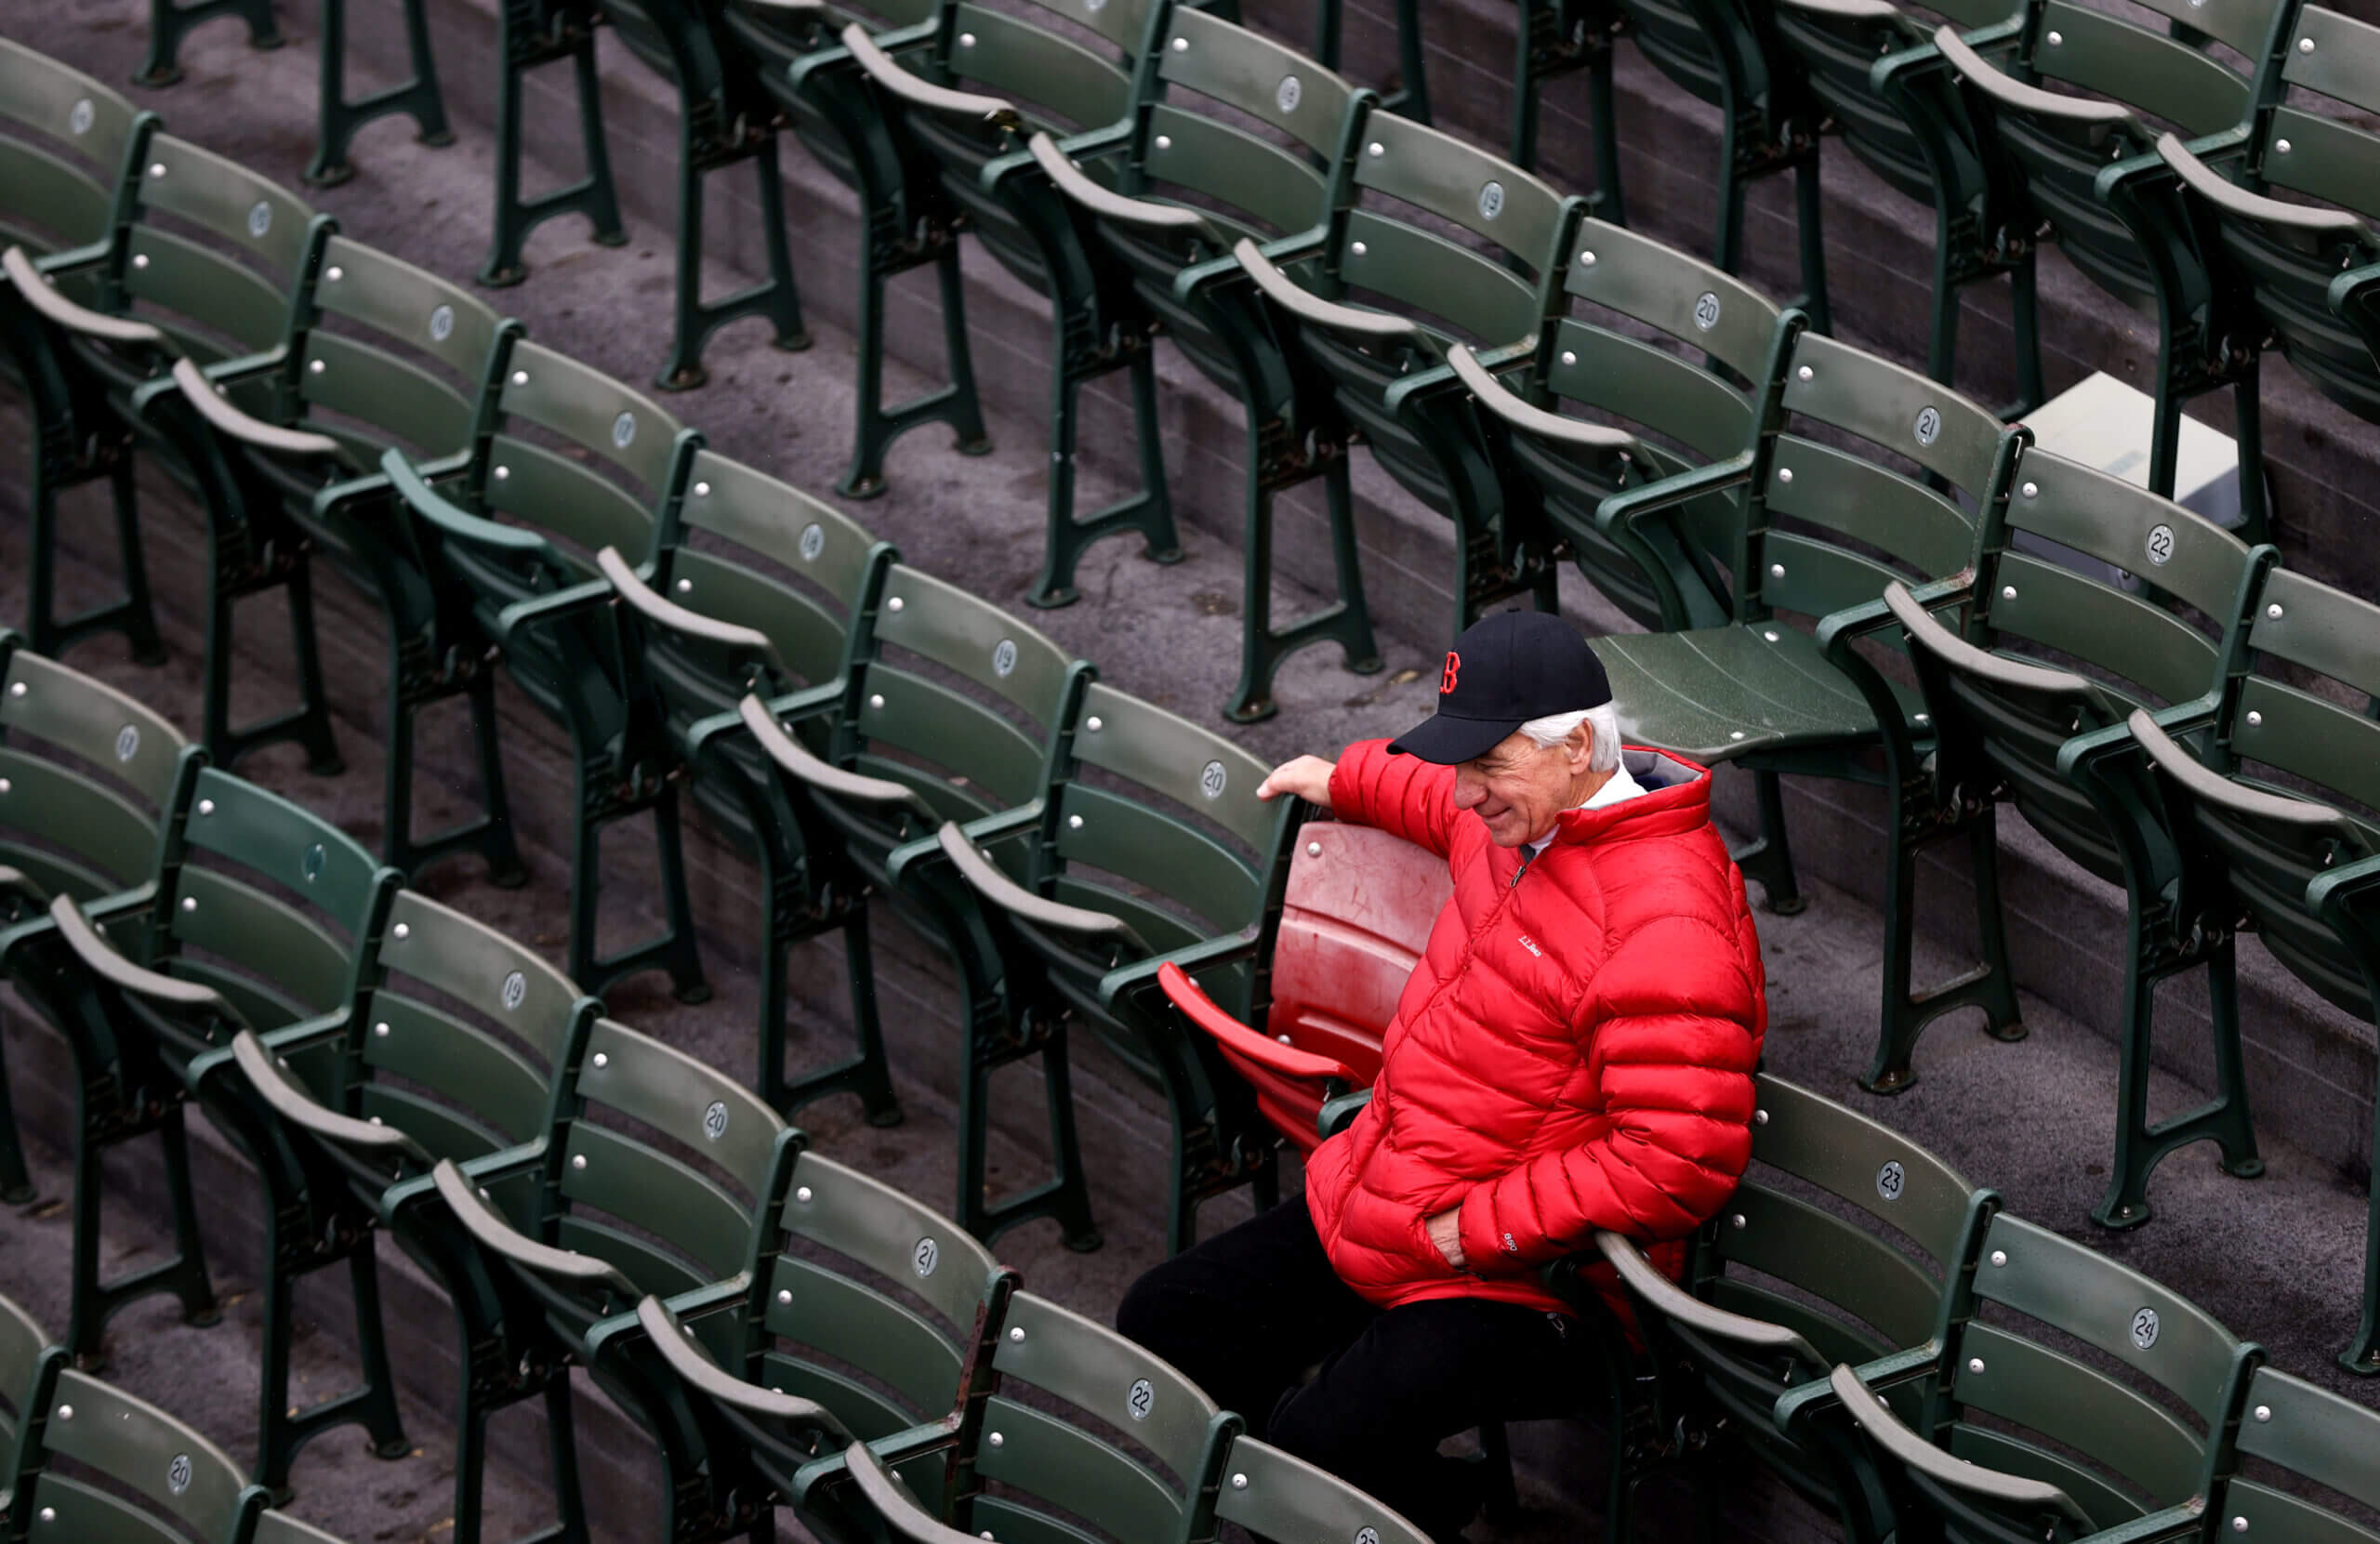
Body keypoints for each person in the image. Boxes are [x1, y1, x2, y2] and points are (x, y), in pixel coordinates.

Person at [1117, 610, 1767, 1540]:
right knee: (1171, 1320)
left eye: (1487, 765)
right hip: (1396, 1190)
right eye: (1464, 762)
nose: (1466, 793)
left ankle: (1358, 1507)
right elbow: (1429, 792)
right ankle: (1401, 1507)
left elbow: (1676, 1157)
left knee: (1317, 1447)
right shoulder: (1525, 809)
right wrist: (1342, 777)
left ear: (1579, 744)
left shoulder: (1668, 924)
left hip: (1536, 1281)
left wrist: (1476, 1230)